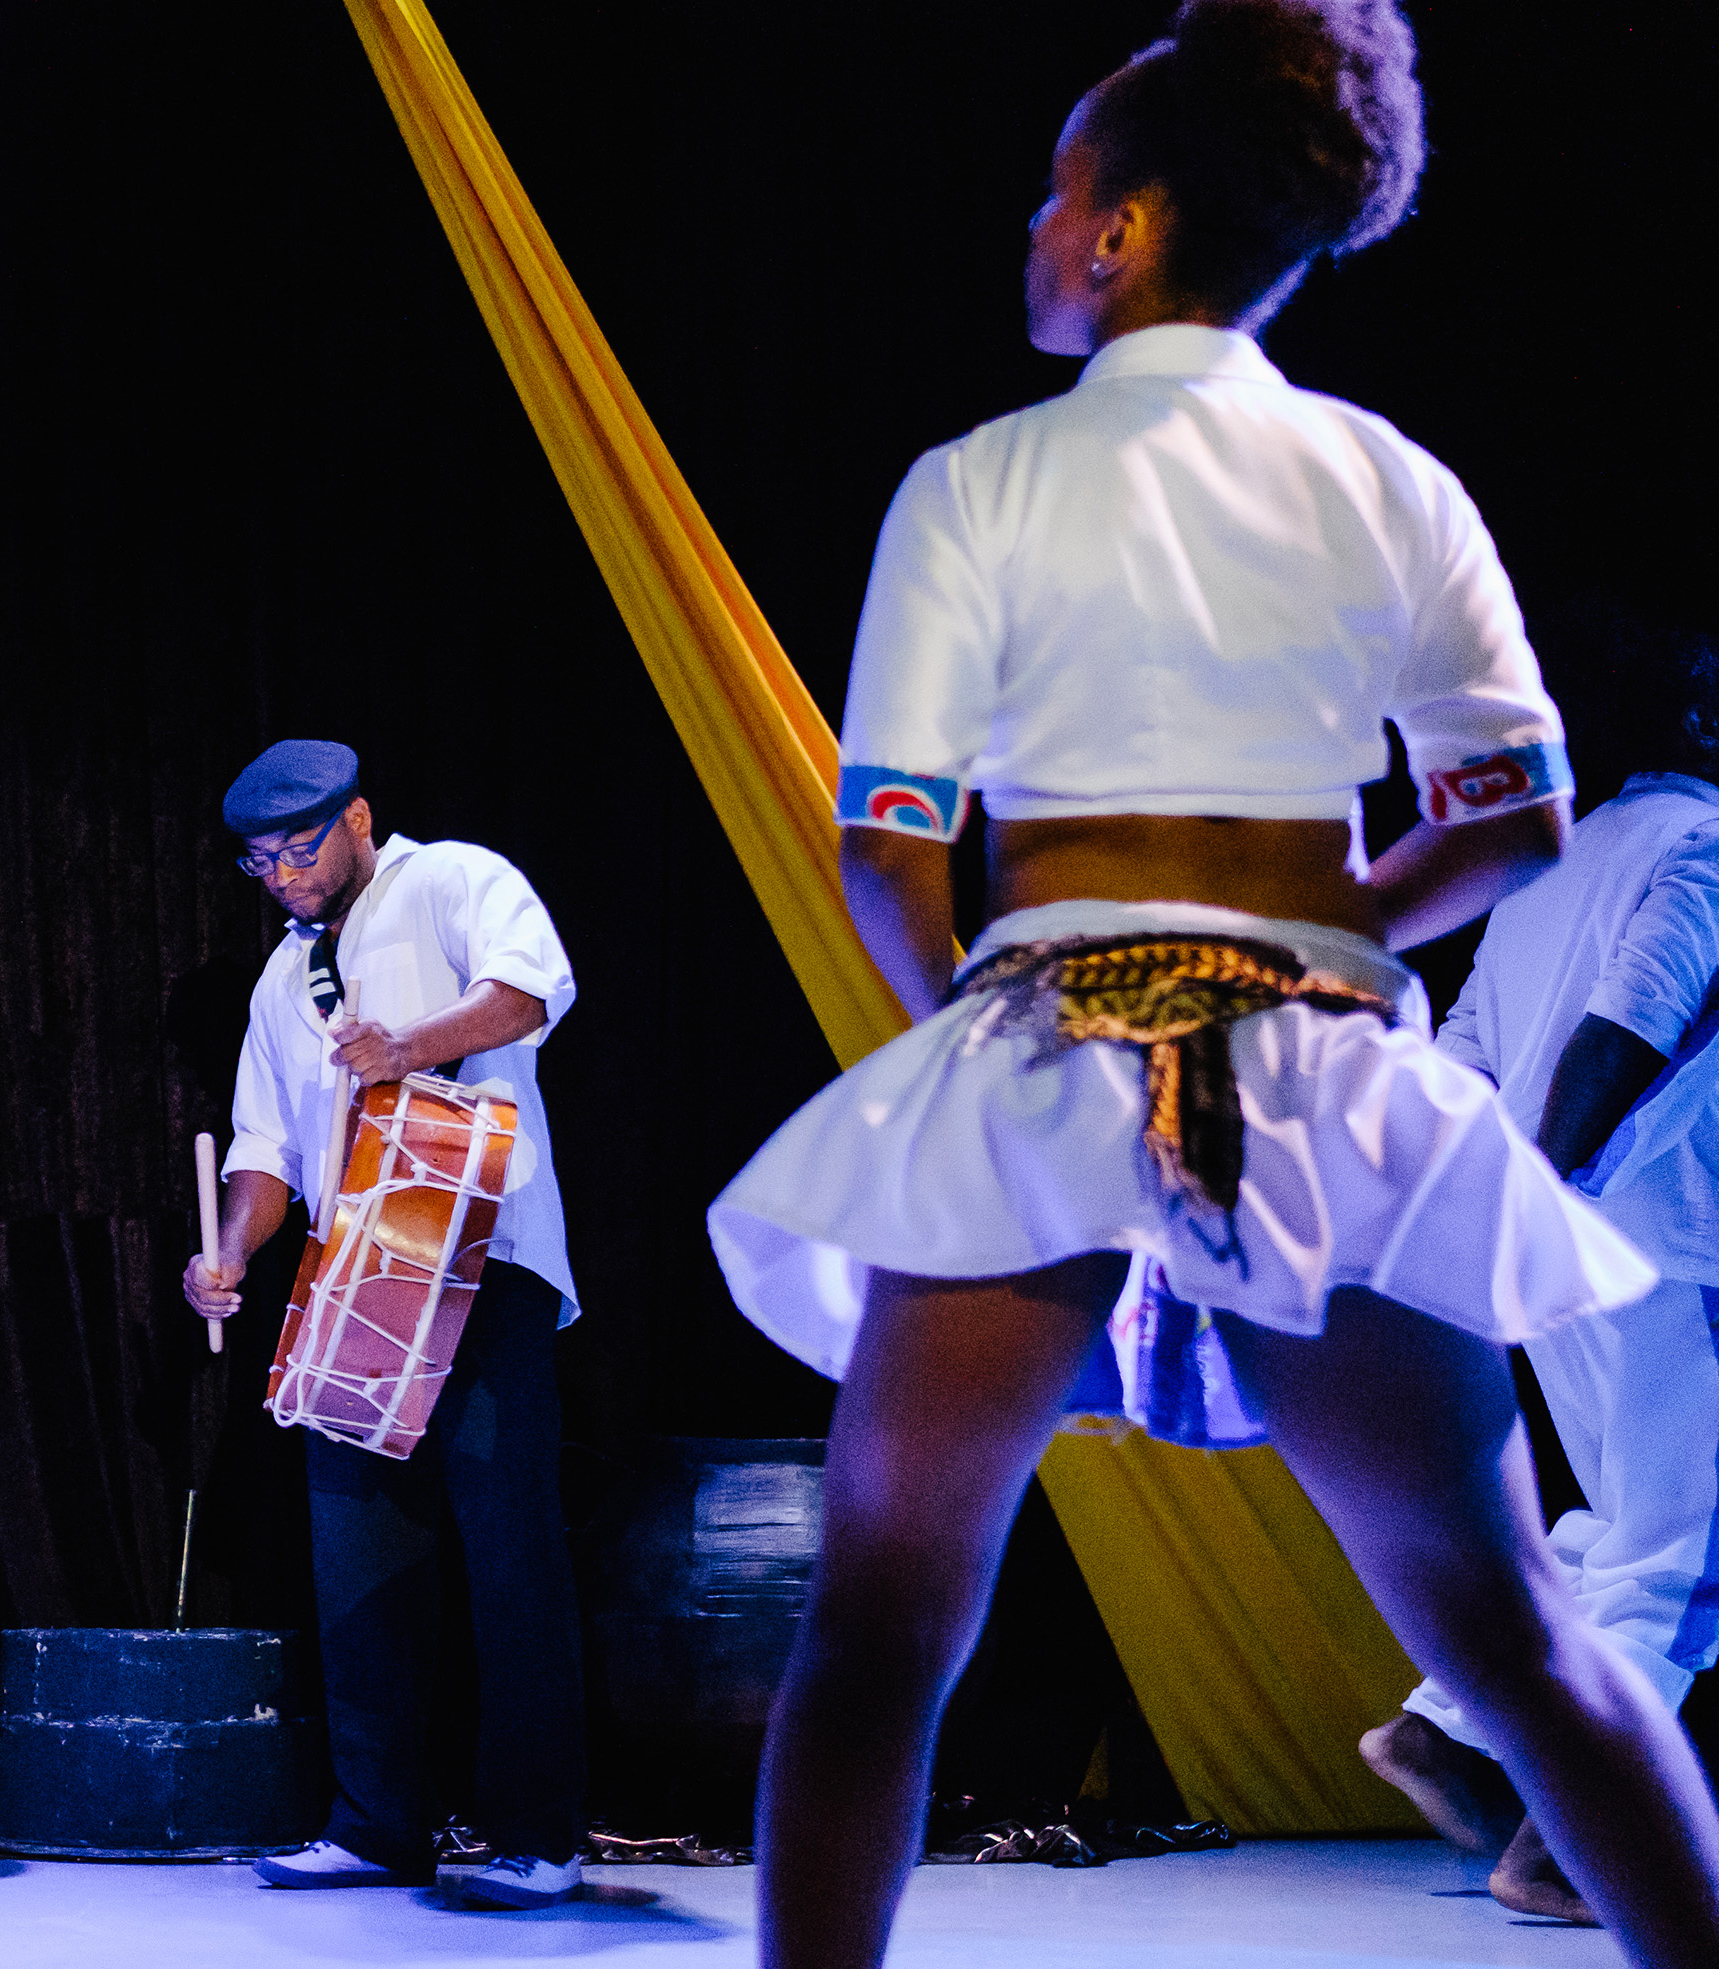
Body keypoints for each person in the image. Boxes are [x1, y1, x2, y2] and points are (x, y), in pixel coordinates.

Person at [700, 2, 1719, 1961]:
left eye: (1053, 188)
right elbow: (1513, 811)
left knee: (883, 1626)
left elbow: (889, 841)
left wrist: (973, 1070)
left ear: (1118, 230)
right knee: (1513, 1634)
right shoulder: (1387, 482)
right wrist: (1311, 939)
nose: (1028, 220)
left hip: (1045, 1045)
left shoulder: (979, 485)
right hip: (1323, 1077)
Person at [181, 739, 588, 1911]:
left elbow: (533, 987)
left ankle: (536, 1833)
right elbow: (263, 1145)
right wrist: (230, 1249)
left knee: (509, 1556)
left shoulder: (453, 880)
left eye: (296, 848)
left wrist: (403, 1048)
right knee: (358, 1564)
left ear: (357, 818)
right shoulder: (278, 979)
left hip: (479, 1260)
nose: (278, 875)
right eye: (256, 859)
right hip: (352, 1278)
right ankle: (375, 1824)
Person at [1362, 623, 1719, 1925]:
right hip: (1669, 1246)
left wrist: (1477, 1210)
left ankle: (1442, 1721)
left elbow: (1462, 1047)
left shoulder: (1554, 861)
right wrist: (1553, 1184)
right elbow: (1632, 1017)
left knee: (1625, 1525)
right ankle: (1562, 1848)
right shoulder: (1704, 839)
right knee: (1683, 1559)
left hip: (1558, 1238)